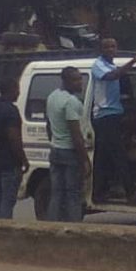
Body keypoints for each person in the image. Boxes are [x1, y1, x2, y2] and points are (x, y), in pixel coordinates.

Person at [91, 38, 136, 203]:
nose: (110, 49)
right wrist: (134, 61)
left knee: (104, 157)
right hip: (105, 115)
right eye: (107, 46)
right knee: (119, 155)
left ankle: (100, 191)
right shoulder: (99, 65)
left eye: (113, 46)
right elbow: (113, 76)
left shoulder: (112, 65)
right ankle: (131, 192)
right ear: (101, 49)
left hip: (114, 114)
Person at [46, 66, 90, 222]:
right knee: (73, 194)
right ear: (65, 81)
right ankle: (74, 227)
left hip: (56, 149)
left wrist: (54, 141)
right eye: (76, 80)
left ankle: (51, 227)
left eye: (80, 79)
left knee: (56, 193)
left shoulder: (52, 97)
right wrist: (84, 159)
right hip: (69, 152)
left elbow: (49, 125)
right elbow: (76, 135)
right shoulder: (71, 102)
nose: (80, 83)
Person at [0, 77, 28, 219]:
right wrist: (23, 160)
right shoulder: (11, 111)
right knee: (7, 201)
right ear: (11, 90)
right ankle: (4, 229)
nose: (19, 93)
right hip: (9, 163)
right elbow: (14, 138)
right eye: (17, 89)